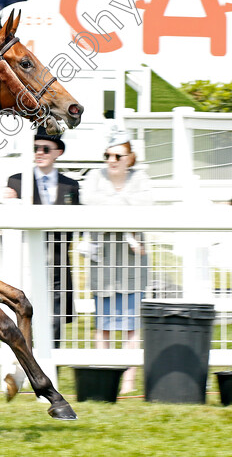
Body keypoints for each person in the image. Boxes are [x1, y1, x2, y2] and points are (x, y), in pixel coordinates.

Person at [83, 125, 152, 394]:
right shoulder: (94, 177)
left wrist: (113, 203)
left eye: (117, 156)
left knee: (131, 323)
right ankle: (104, 375)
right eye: (107, 155)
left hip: (133, 260)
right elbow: (90, 203)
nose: (111, 161)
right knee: (104, 322)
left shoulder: (141, 179)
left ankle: (129, 380)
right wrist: (123, 203)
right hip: (103, 258)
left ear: (129, 158)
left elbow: (146, 207)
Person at [5, 126, 80, 348]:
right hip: (27, 260)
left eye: (46, 149)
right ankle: (25, 357)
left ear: (58, 152)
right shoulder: (16, 182)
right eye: (35, 148)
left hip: (57, 259)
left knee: (56, 314)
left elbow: (77, 224)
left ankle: (52, 359)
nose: (39, 152)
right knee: (25, 309)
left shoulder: (71, 185)